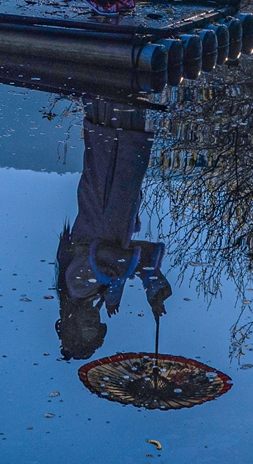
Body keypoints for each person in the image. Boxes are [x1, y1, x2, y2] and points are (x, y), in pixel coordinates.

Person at [55, 103, 173, 361]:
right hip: (118, 200)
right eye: (95, 326)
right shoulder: (94, 292)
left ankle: (114, 98)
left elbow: (112, 256)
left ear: (71, 321)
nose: (92, 320)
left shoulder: (77, 286)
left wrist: (125, 284)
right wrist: (151, 280)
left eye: (85, 326)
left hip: (105, 195)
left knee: (113, 132)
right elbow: (130, 257)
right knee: (126, 138)